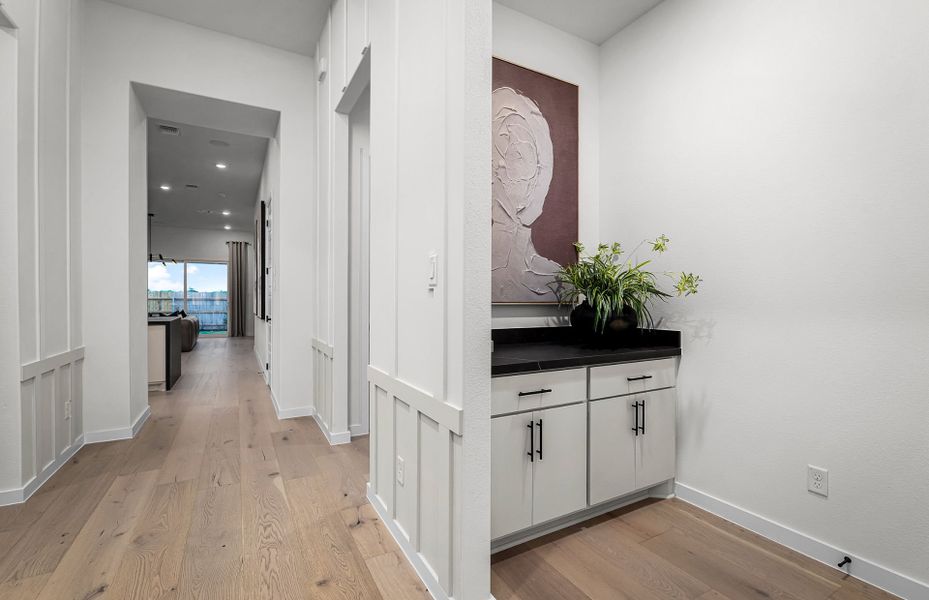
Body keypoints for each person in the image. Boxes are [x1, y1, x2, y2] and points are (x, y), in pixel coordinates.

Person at [491, 86, 561, 303]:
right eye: (493, 153)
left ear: (540, 173)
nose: (500, 165)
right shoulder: (466, 268)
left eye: (517, 155)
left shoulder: (559, 283)